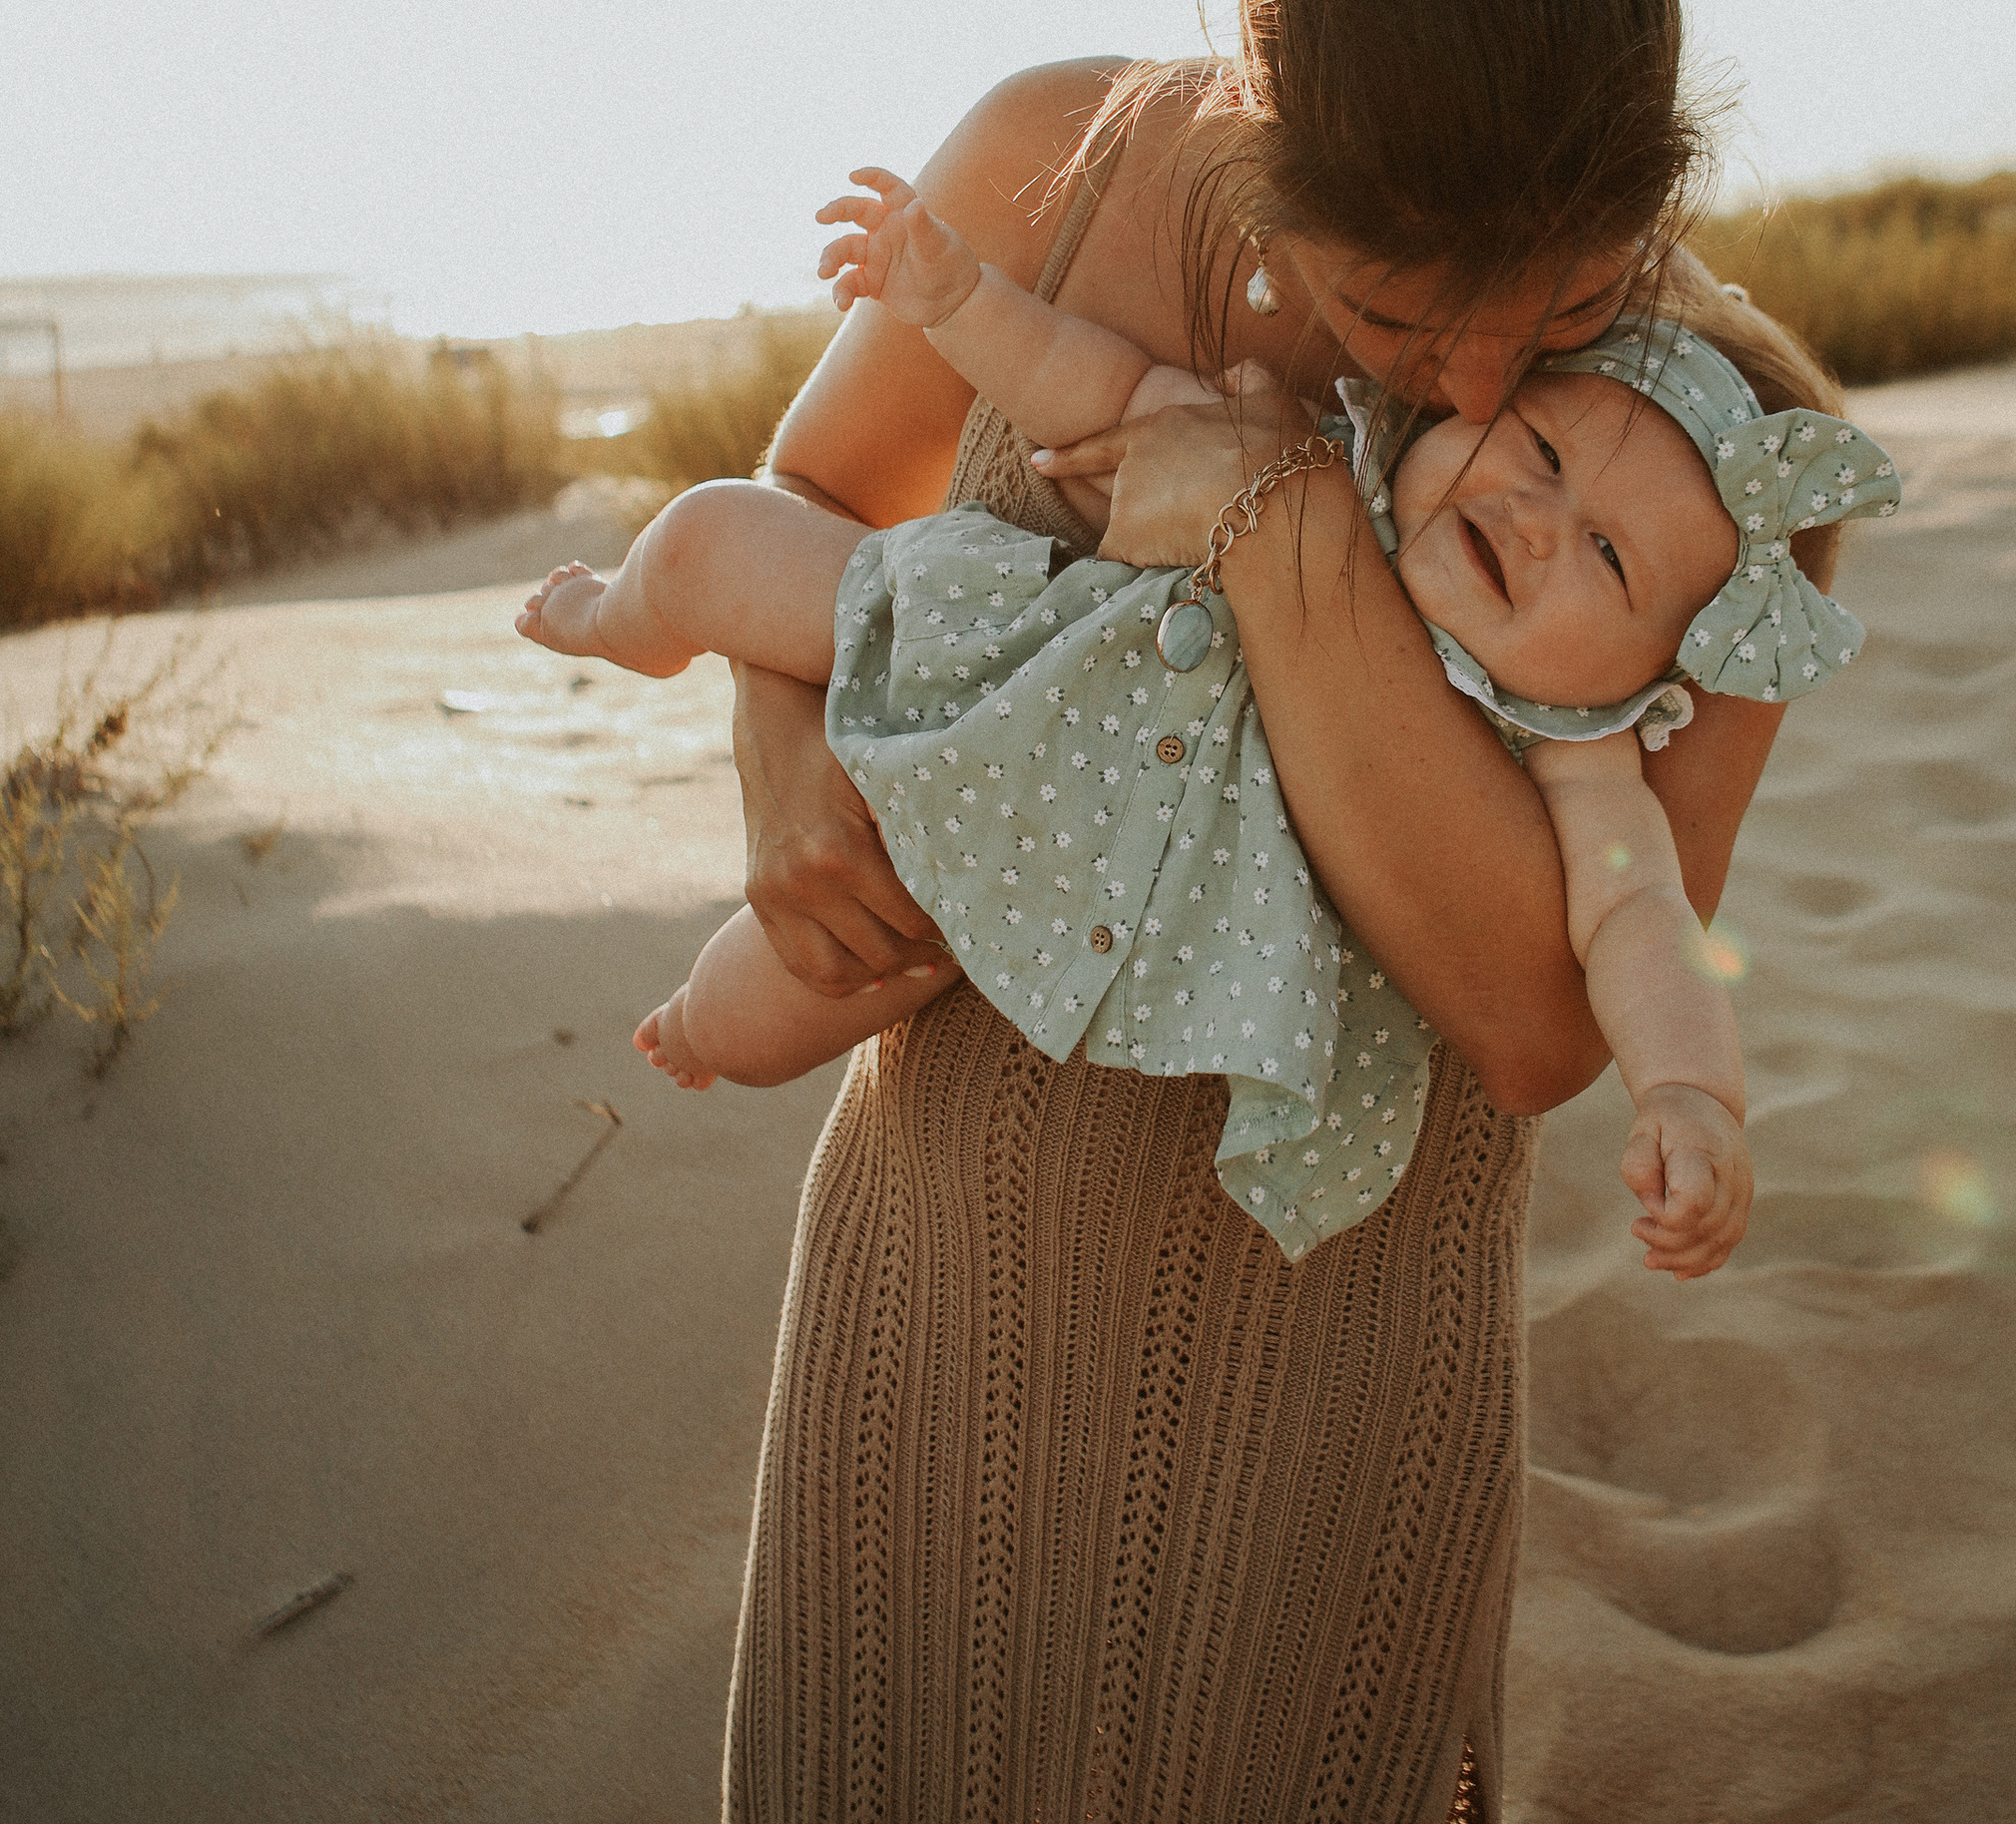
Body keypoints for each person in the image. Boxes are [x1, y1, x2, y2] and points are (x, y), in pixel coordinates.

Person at [709, 0, 1870, 1824]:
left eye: (1556, 302)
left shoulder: (1730, 461)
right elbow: (813, 523)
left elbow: (1539, 1012)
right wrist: (796, 826)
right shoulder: (1047, 175)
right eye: (1393, 308)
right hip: (950, 1246)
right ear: (1258, 140)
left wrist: (1278, 520)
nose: (1476, 377)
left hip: (1332, 1324)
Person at [516, 173, 1897, 1285]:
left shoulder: (1576, 746)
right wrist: (956, 296)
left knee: (812, 984)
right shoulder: (1302, 453)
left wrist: (1691, 1093)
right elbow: (1098, 391)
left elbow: (1642, 919)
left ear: (1660, 668)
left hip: (1091, 889)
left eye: (1608, 558)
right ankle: (625, 618)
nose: (1537, 521)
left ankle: (696, 1028)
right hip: (1017, 701)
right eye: (1539, 451)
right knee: (710, 542)